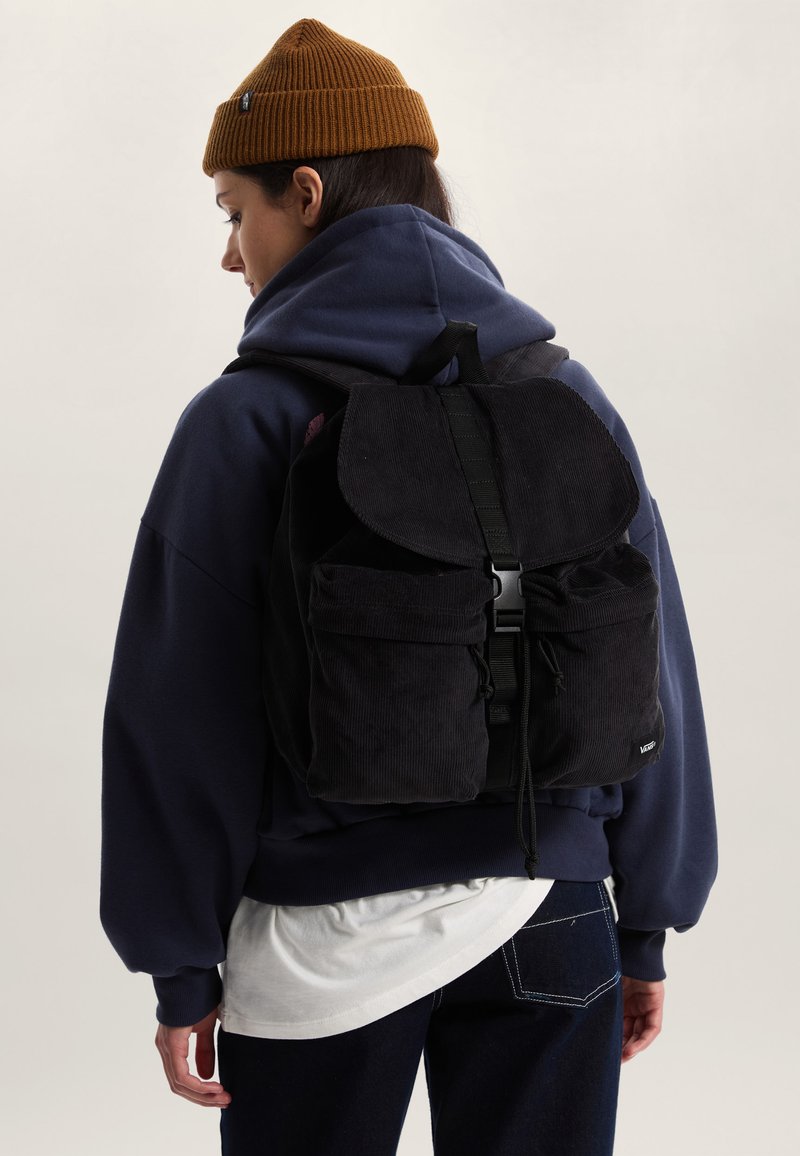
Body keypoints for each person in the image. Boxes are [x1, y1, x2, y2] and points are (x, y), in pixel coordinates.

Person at [100, 18, 717, 1156]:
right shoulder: (564, 396)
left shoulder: (244, 420)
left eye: (234, 213)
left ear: (305, 193)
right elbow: (654, 666)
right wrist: (644, 920)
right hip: (552, 911)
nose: (230, 254)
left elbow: (178, 712)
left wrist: (177, 961)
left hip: (322, 935)